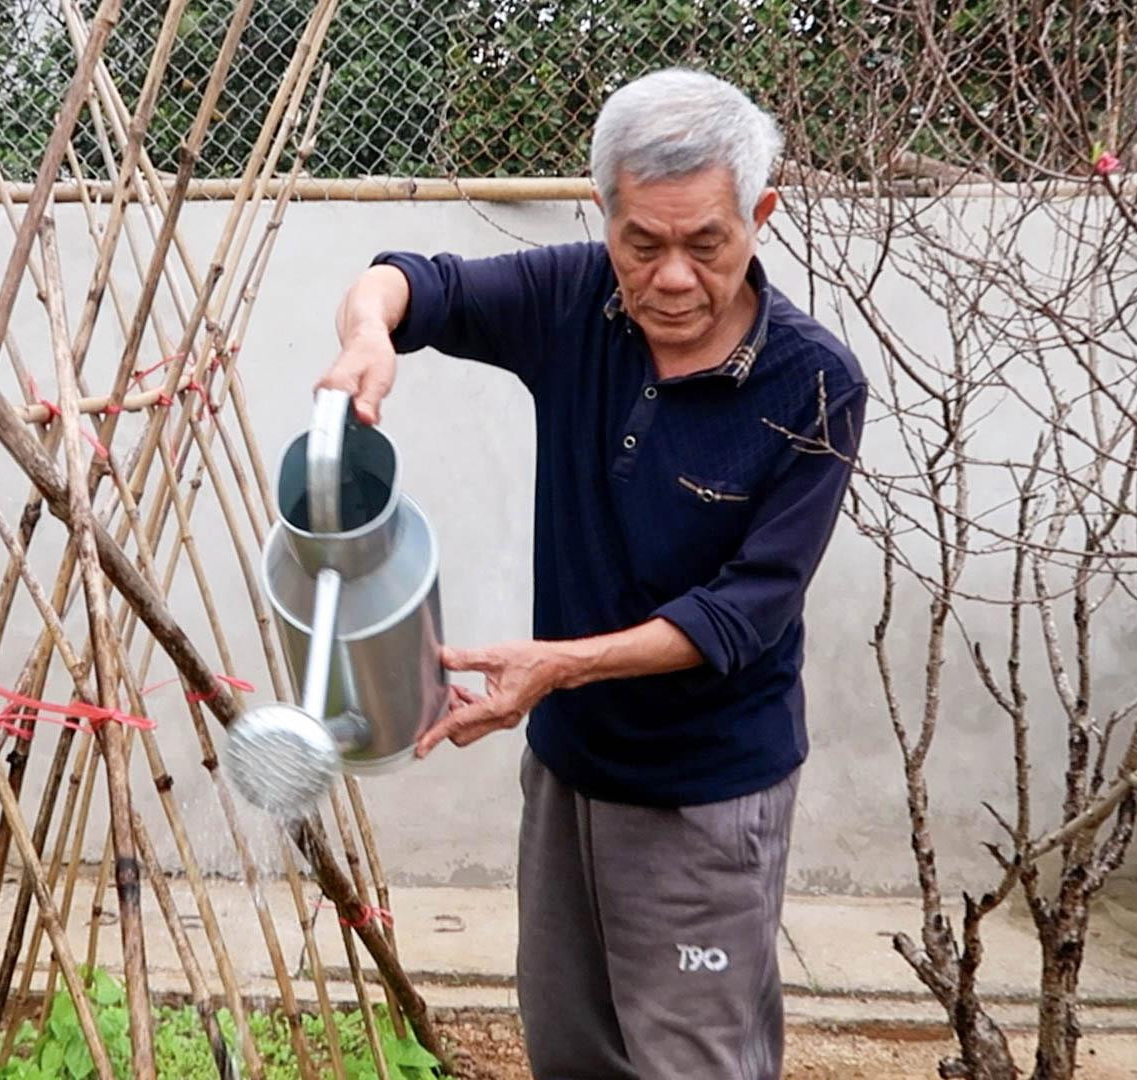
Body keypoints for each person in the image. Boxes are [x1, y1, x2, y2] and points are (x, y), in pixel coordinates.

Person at [316, 68, 867, 1079]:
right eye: (641, 242)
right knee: (571, 1049)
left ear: (761, 215)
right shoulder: (576, 300)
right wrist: (366, 337)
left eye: (707, 243)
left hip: (707, 794)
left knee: (691, 1062)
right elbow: (410, 279)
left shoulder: (814, 380)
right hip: (569, 774)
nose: (670, 278)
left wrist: (560, 666)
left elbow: (748, 609)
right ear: (601, 212)